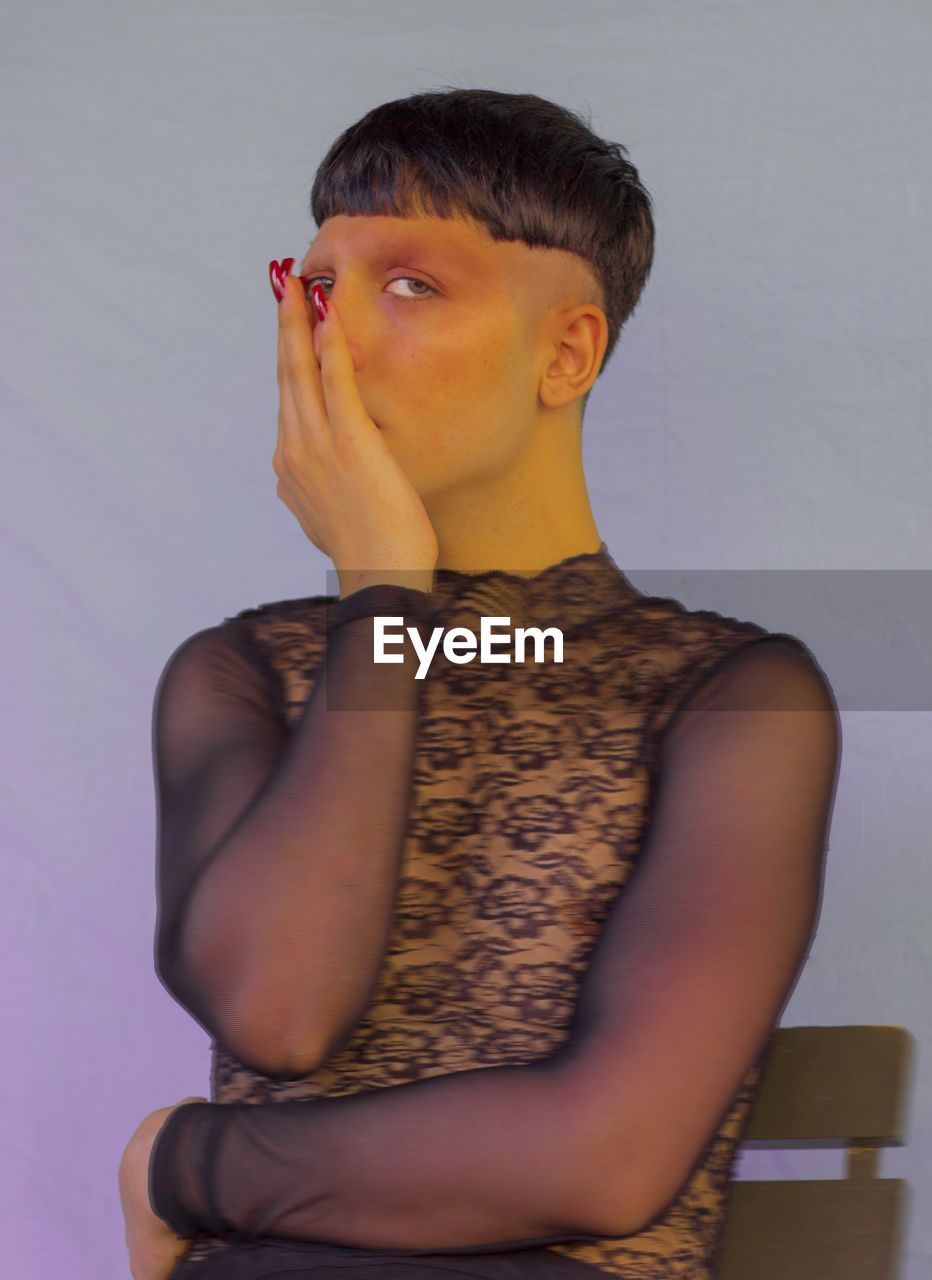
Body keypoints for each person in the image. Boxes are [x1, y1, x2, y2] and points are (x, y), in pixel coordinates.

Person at [135, 88, 841, 1278]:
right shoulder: (242, 671)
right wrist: (382, 599)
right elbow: (280, 1011)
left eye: (410, 286)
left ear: (565, 351)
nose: (334, 337)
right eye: (315, 290)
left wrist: (177, 1162)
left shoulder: (729, 695)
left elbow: (602, 1159)